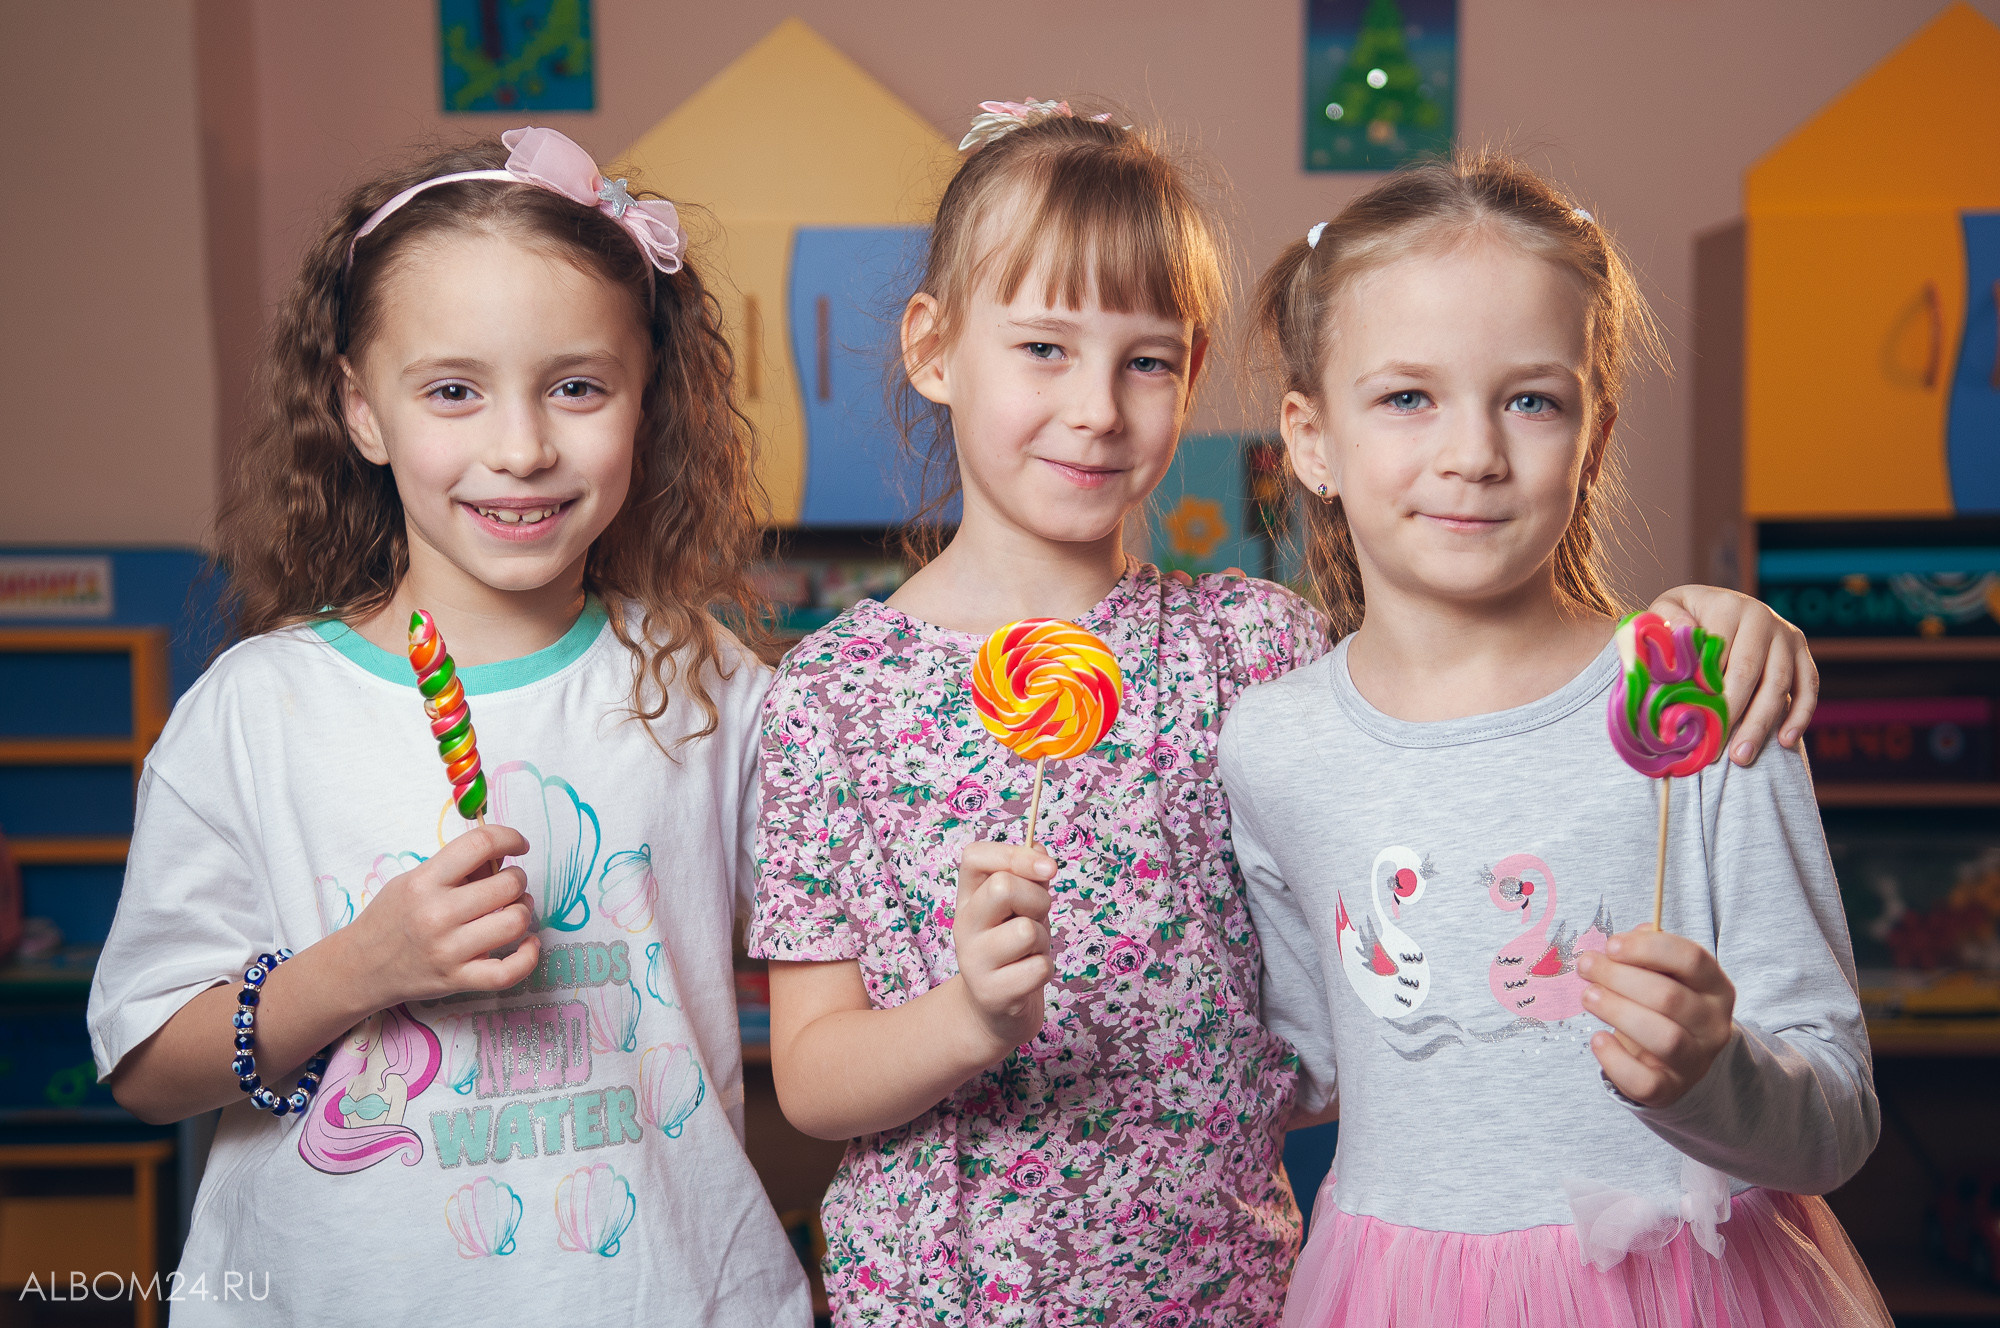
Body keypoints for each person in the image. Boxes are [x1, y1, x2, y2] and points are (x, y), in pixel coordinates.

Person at [751, 102, 1822, 1324]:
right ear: (933, 349)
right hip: (942, 1295)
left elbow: (1466, 702)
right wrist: (968, 1015)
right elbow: (810, 1076)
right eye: (1044, 347)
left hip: (1226, 1288)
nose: (1098, 406)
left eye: (1146, 358)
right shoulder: (829, 694)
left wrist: (1711, 619)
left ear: (1194, 374)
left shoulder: (1255, 650)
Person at [87, 127, 809, 1324]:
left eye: (576, 385)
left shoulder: (708, 688)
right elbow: (151, 1069)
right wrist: (356, 971)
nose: (520, 446)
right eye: (453, 390)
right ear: (361, 411)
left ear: (647, 401)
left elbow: (850, 952)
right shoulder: (258, 711)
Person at [1224, 151, 1890, 1327]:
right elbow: (1299, 1069)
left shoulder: (1697, 696)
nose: (1473, 451)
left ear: (1593, 431)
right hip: (1392, 1292)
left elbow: (1834, 1114)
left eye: (1529, 398)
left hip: (1686, 1288)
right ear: (1308, 439)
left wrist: (1714, 1074)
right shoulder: (1269, 747)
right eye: (1405, 396)